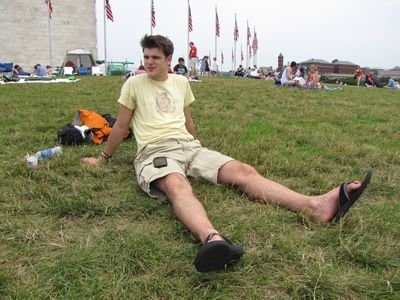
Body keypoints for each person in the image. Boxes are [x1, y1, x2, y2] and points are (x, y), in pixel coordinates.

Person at [82, 34, 371, 273]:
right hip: (155, 150)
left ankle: (315, 206)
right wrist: (102, 159)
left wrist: (197, 148)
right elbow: (120, 125)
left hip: (189, 147)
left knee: (244, 171)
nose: (148, 62)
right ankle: (212, 240)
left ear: (169, 59)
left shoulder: (181, 82)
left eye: (155, 57)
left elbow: (187, 120)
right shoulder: (134, 83)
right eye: (146, 56)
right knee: (177, 185)